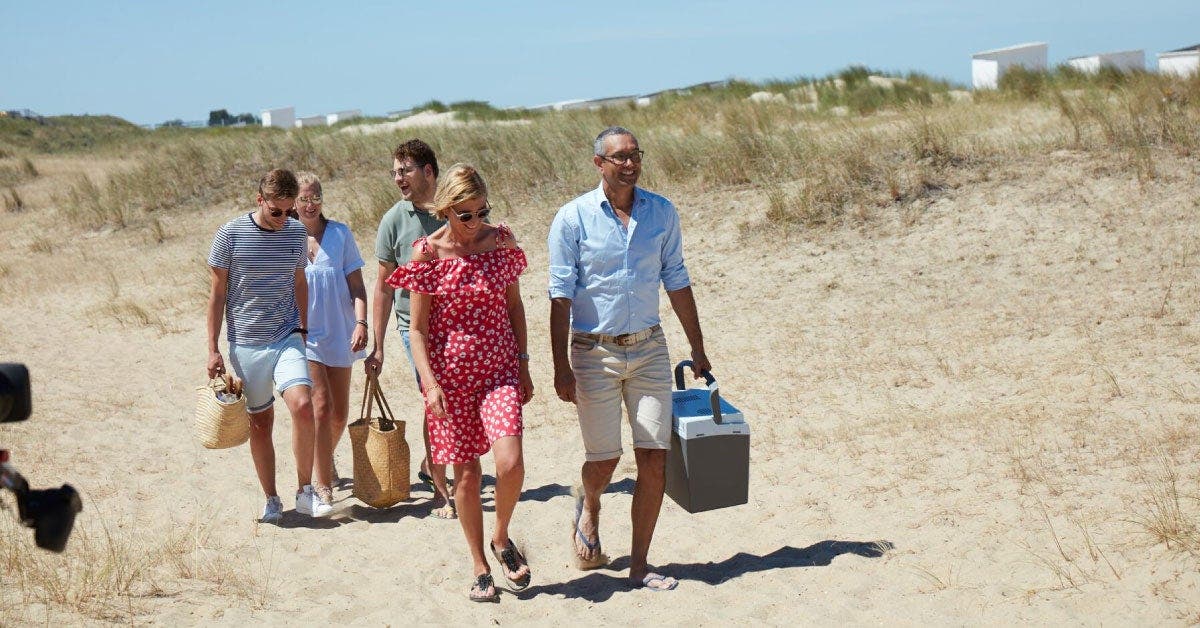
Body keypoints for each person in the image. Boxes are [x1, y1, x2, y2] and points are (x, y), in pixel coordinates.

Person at [548, 126, 712, 591]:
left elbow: (676, 279)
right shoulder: (572, 218)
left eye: (635, 155)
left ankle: (640, 565)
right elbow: (559, 296)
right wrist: (560, 366)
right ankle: (591, 503)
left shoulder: (661, 213)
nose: (630, 163)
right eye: (619, 157)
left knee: (654, 458)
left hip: (649, 348)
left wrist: (697, 347)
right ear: (598, 163)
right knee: (604, 461)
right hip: (592, 352)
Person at [388, 164, 534, 603]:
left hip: (499, 370)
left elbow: (515, 307)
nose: (475, 222)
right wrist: (430, 385)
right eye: (466, 214)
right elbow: (416, 330)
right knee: (467, 477)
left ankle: (502, 536)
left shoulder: (500, 242)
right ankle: (479, 566)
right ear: (447, 211)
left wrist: (524, 364)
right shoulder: (427, 255)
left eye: (481, 211)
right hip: (450, 382)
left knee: (510, 464)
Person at [206, 168, 333, 521]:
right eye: (275, 211)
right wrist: (213, 348)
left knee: (303, 405)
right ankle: (272, 498)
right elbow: (217, 295)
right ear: (259, 200)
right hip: (245, 342)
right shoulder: (229, 235)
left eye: (289, 211)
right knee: (261, 424)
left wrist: (304, 327)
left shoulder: (295, 234)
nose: (283, 219)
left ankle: (305, 491)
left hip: (286, 335)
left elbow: (299, 282)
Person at [365, 139, 455, 518]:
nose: (398, 177)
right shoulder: (393, 220)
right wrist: (378, 344)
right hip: (412, 325)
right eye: (395, 171)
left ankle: (431, 464)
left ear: (429, 171)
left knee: (453, 397)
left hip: (455, 321)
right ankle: (441, 492)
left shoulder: (454, 209)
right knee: (433, 397)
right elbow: (384, 286)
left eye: (405, 170)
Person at [293, 172, 369, 497]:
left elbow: (357, 285)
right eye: (303, 199)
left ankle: (323, 459)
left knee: (339, 415)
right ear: (293, 203)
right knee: (320, 408)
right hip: (304, 335)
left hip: (341, 331)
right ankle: (322, 485)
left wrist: (362, 323)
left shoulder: (340, 234)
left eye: (315, 198)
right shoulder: (286, 237)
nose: (310, 205)